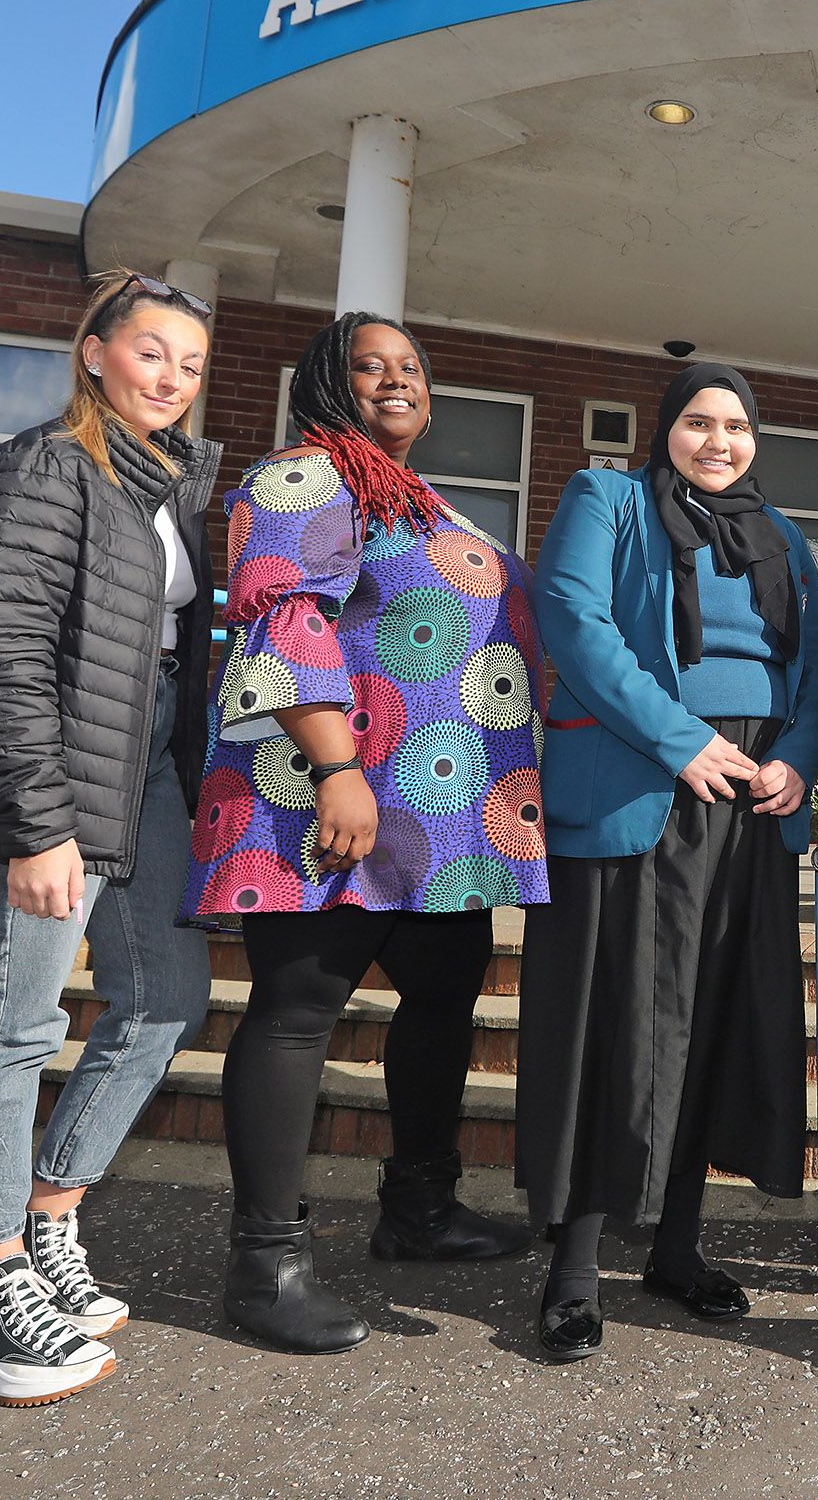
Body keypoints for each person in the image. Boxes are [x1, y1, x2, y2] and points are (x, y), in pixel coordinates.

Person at [192, 313, 548, 1354]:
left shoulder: (410, 494)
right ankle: (265, 1264)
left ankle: (420, 1210)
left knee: (441, 997)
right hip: (330, 801)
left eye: (411, 368)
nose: (396, 380)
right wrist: (338, 767)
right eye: (369, 365)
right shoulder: (302, 477)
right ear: (324, 383)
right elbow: (284, 621)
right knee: (299, 1008)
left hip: (434, 815)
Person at [0, 270, 222, 1405]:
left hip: (140, 784)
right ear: (94, 353)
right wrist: (40, 827)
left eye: (188, 363)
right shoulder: (45, 466)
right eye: (150, 353)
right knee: (10, 1024)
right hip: (36, 795)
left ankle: (47, 1218)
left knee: (165, 996)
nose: (171, 379)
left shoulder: (168, 482)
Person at [517, 364, 818, 1363]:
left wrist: (793, 754)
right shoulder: (605, 498)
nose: (719, 439)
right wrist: (676, 737)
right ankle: (571, 1268)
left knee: (710, 1015)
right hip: (638, 783)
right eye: (700, 422)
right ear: (667, 431)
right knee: (611, 1020)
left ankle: (678, 1243)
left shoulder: (781, 535)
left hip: (747, 797)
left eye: (737, 425)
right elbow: (572, 619)